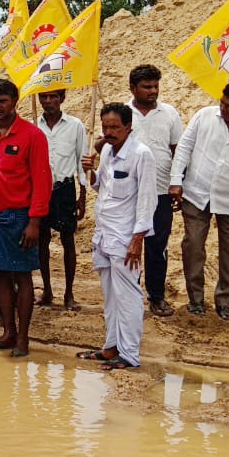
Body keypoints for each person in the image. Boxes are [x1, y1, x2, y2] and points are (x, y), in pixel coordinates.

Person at [169, 81, 229, 320]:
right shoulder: (205, 116)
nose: (224, 109)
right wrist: (176, 179)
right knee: (193, 244)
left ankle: (225, 301)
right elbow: (184, 147)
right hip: (196, 192)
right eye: (223, 103)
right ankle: (195, 299)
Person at [0, 80, 51, 358]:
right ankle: (8, 332)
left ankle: (23, 339)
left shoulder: (33, 135)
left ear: (14, 101)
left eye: (2, 101)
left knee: (22, 275)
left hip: (18, 217)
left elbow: (42, 181)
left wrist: (34, 222)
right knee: (0, 275)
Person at [78, 103, 156, 370]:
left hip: (125, 237)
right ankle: (111, 346)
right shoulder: (108, 151)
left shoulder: (141, 154)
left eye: (114, 127)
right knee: (110, 295)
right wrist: (90, 171)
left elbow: (147, 200)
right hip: (104, 234)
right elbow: (101, 187)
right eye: (105, 127)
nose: (108, 132)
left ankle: (130, 354)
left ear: (128, 127)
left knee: (128, 296)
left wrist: (137, 240)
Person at [125, 64, 183, 316]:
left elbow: (177, 151)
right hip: (131, 193)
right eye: (147, 86)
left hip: (160, 191)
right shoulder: (123, 113)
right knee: (130, 245)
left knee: (157, 246)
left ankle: (157, 297)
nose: (153, 91)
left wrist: (177, 182)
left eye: (156, 86)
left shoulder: (169, 113)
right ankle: (130, 295)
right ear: (133, 88)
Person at [36, 89, 88, 310]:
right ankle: (47, 290)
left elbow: (81, 161)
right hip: (40, 190)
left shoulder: (75, 125)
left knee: (68, 240)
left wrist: (82, 195)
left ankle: (69, 293)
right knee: (41, 241)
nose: (48, 101)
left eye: (54, 96)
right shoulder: (33, 125)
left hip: (65, 189)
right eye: (44, 97)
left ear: (62, 98)